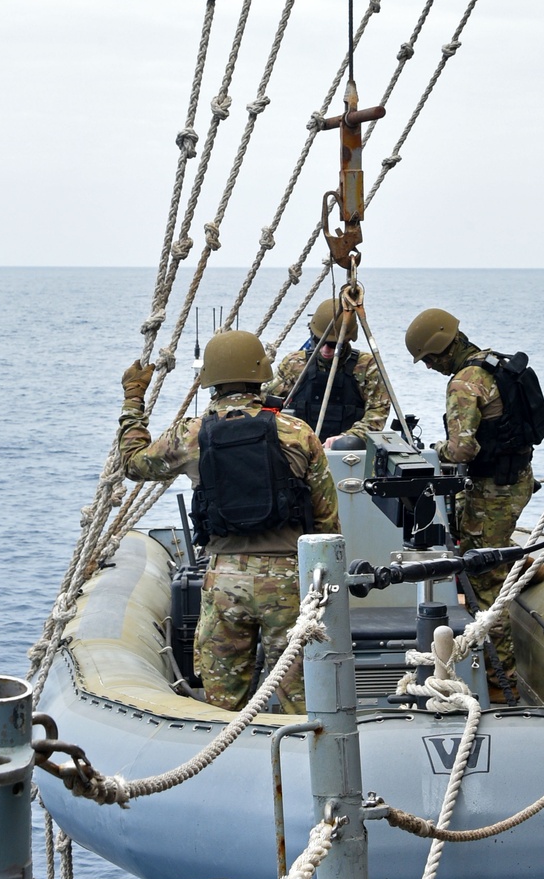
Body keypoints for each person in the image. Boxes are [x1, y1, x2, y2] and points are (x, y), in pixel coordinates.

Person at [116, 330, 339, 715]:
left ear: (211, 380)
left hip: (224, 583)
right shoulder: (298, 433)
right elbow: (326, 519)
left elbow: (133, 463)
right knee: (301, 703)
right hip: (287, 584)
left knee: (222, 706)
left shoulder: (192, 434)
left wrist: (133, 401)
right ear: (261, 375)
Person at [405, 307, 537, 702]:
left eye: (429, 359)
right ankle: (518, 559)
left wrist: (434, 451)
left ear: (443, 350)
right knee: (476, 544)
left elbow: (463, 449)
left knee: (481, 578)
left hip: (492, 489)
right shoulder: (496, 363)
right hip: (517, 478)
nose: (429, 367)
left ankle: (503, 678)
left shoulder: (465, 382)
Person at [274, 298, 390, 447]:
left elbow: (378, 412)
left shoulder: (366, 367)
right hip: (300, 448)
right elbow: (267, 402)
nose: (325, 350)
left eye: (333, 345)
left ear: (347, 340)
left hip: (348, 453)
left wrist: (349, 438)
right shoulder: (294, 364)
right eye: (319, 342)